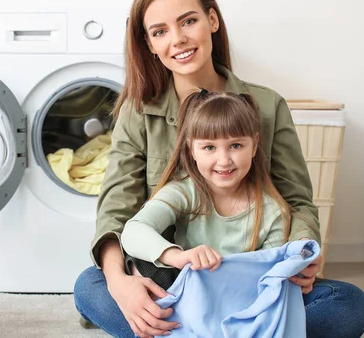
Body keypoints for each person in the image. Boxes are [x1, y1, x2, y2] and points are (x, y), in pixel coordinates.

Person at [74, 0, 364, 338]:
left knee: (348, 305)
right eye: (160, 31)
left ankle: (193, 332)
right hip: (170, 276)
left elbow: (297, 202)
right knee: (91, 286)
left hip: (250, 281)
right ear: (149, 44)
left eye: (189, 21)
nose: (178, 39)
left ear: (212, 20)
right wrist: (119, 282)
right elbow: (117, 209)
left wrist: (300, 258)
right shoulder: (138, 112)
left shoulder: (266, 104)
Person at [121, 90, 294, 289]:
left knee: (333, 297)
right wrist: (177, 256)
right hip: (185, 288)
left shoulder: (273, 212)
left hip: (238, 294)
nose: (224, 160)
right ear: (191, 149)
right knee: (111, 274)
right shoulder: (184, 192)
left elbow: (270, 277)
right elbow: (133, 231)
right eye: (209, 148)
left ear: (254, 146)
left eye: (236, 145)